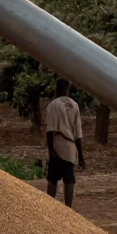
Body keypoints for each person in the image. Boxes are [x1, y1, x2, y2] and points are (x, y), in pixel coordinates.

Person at [44, 78, 84, 207]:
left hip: (58, 145)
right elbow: (78, 134)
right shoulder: (74, 105)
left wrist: (51, 151)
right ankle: (68, 209)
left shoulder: (53, 105)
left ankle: (50, 207)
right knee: (69, 179)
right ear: (68, 89)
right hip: (71, 147)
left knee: (52, 180)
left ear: (57, 88)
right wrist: (81, 156)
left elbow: (50, 131)